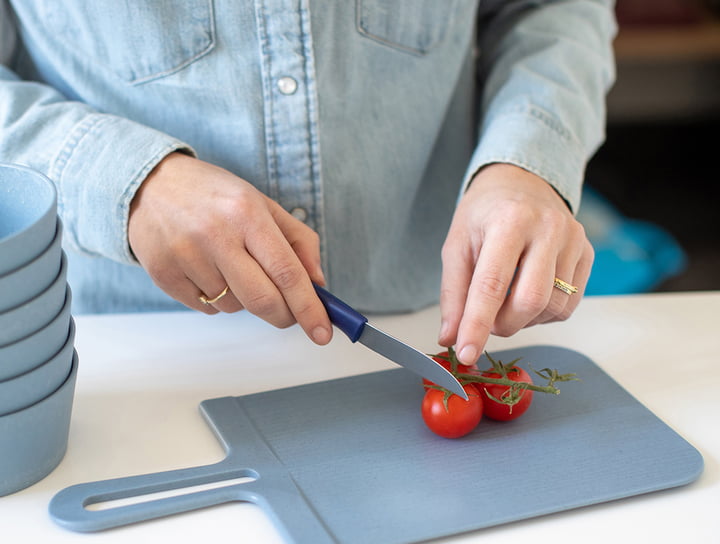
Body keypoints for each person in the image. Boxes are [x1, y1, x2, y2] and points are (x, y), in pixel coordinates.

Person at [0, 1, 615, 367]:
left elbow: (550, 9)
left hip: (435, 312)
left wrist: (527, 161)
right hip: (134, 350)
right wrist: (131, 183)